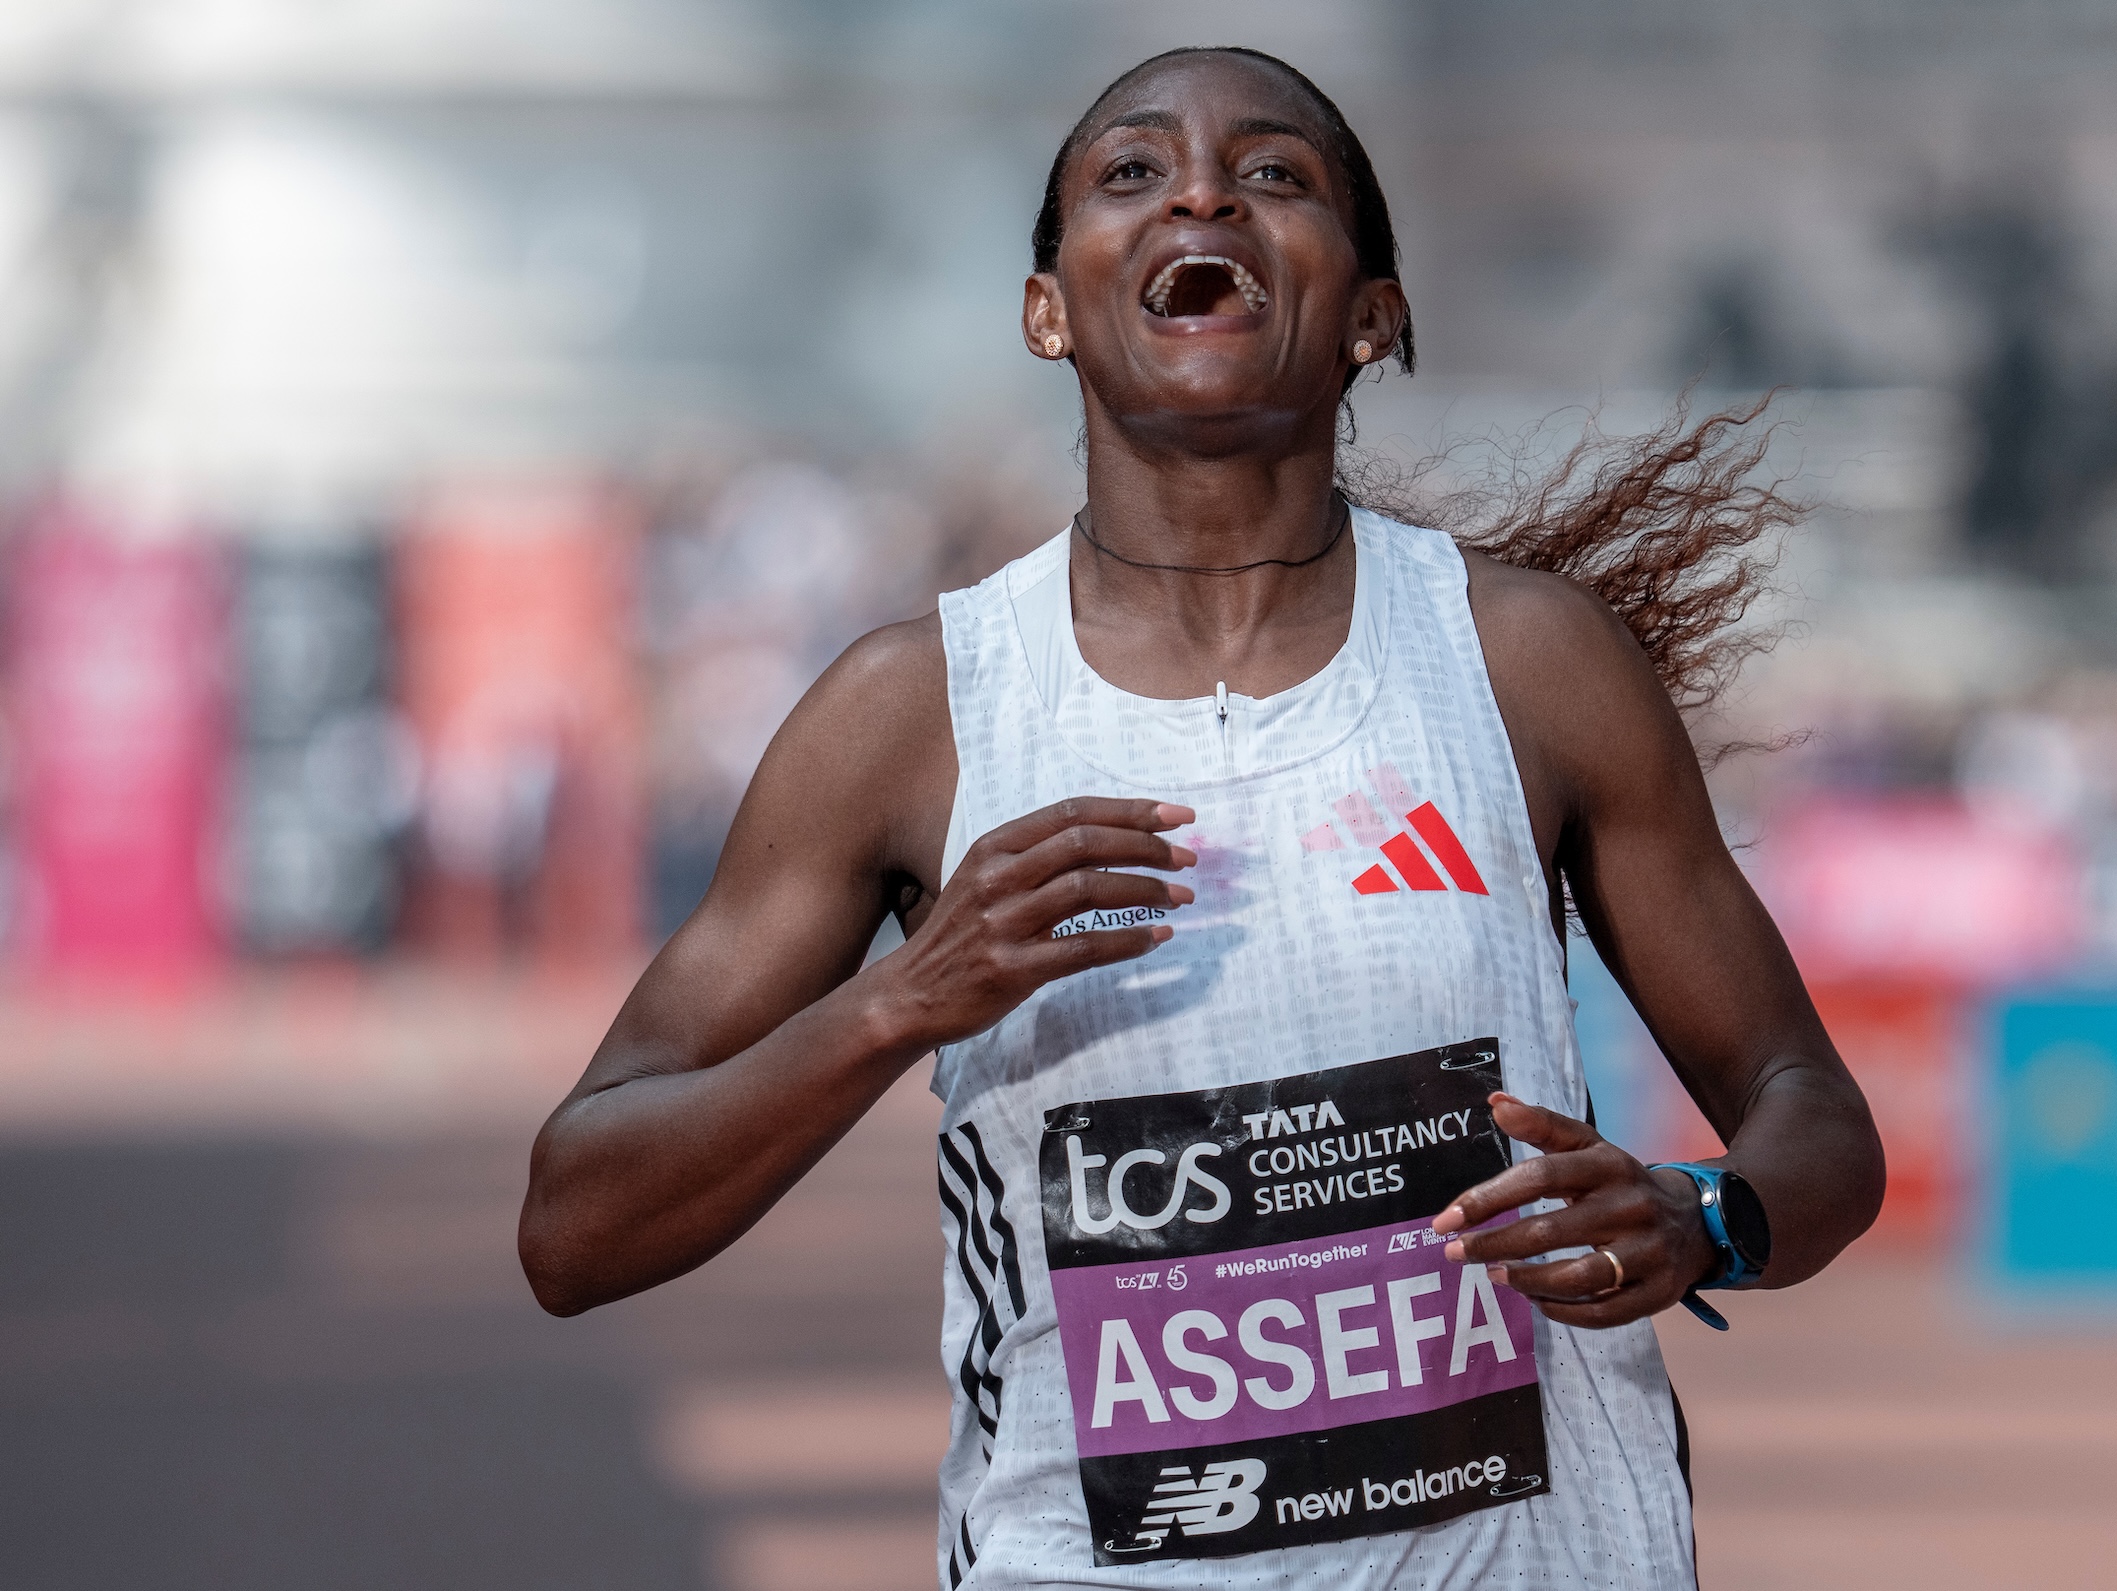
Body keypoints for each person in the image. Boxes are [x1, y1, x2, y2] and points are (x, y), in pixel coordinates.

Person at [520, 46, 1883, 1591]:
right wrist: (900, 1002)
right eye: (1131, 171)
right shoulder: (914, 714)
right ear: (1048, 311)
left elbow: (1812, 1115)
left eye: (1275, 173)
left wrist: (1705, 1217)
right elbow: (575, 1227)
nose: (1200, 194)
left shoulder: (1526, 665)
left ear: (1373, 314)